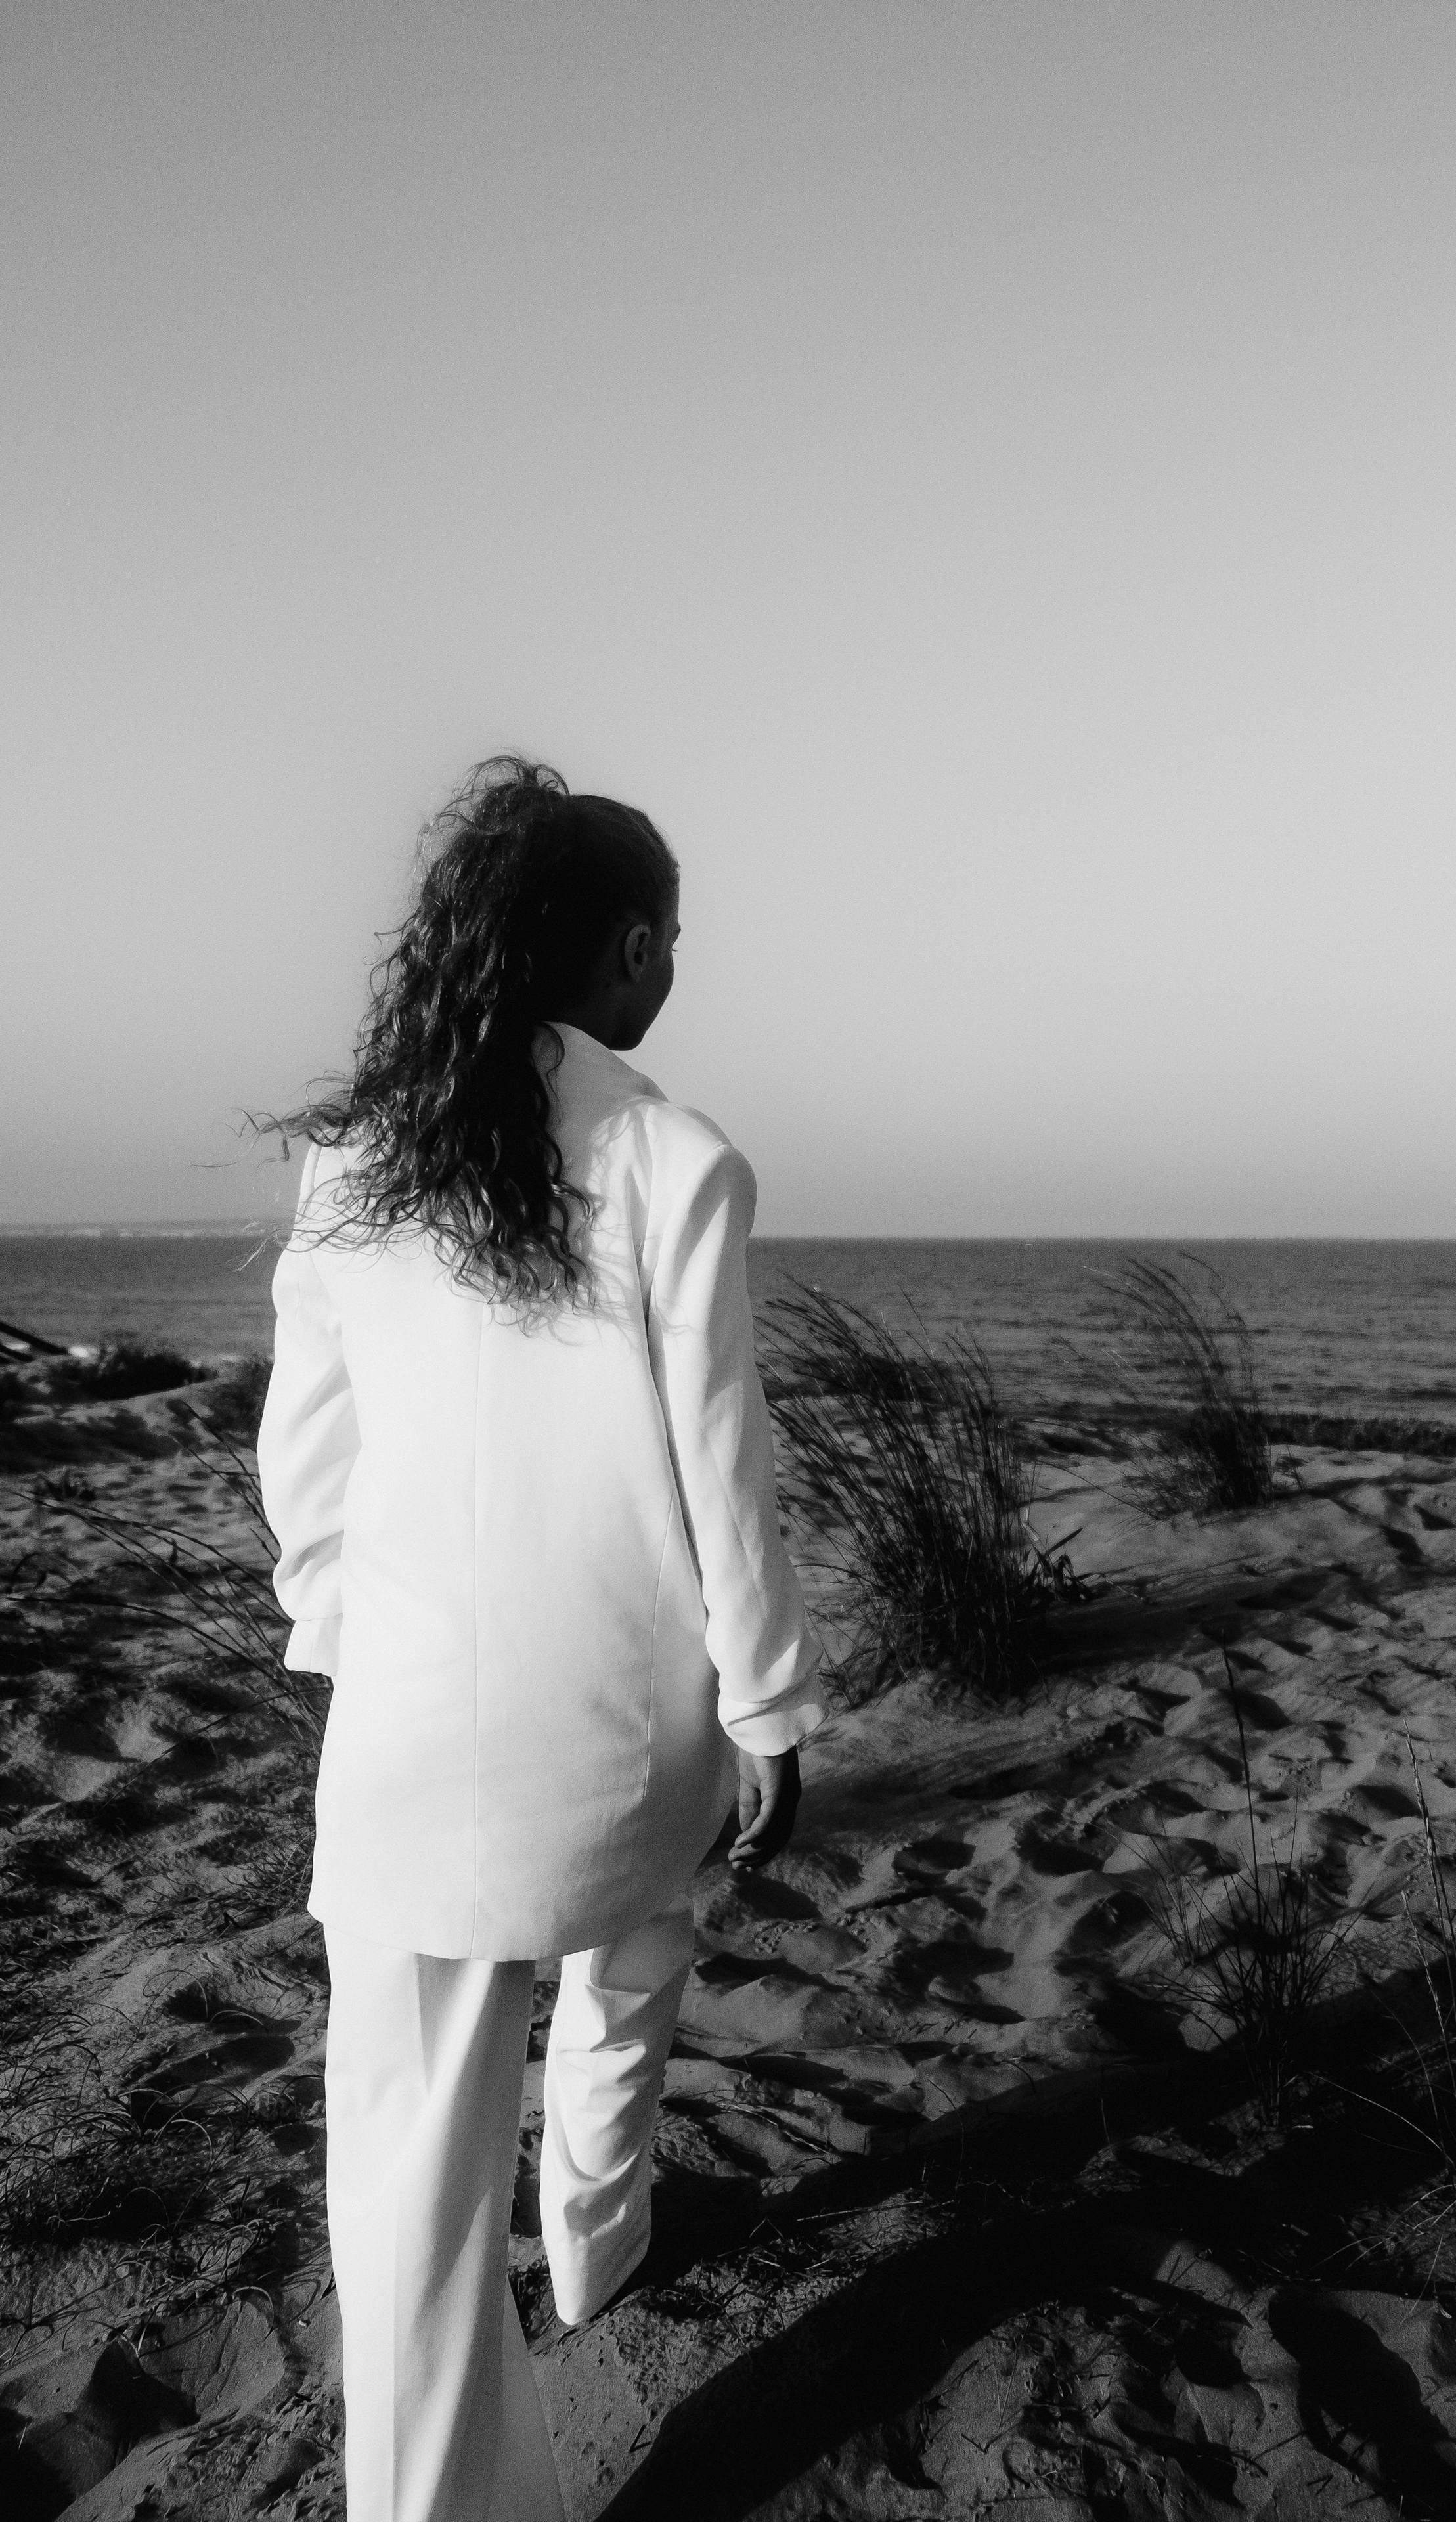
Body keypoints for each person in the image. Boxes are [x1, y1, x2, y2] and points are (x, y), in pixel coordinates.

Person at [257, 756, 824, 2522]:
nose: (674, 971)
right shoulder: (676, 1158)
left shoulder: (356, 1163)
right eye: (671, 940)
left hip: (415, 1746)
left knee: (408, 2178)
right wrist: (772, 1704)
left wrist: (346, 1649)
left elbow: (311, 1466)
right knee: (637, 1945)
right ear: (629, 947)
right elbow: (725, 1467)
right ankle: (597, 2245)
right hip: (624, 1738)